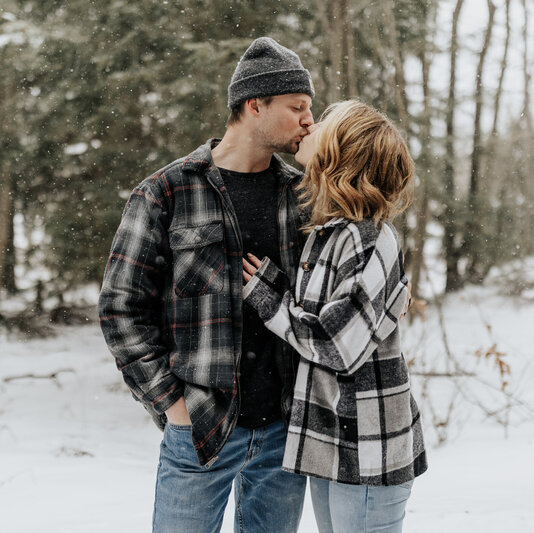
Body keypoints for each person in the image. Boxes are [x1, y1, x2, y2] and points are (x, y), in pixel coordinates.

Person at [98, 37, 314, 532]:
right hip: (202, 427)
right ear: (254, 105)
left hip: (285, 432)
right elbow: (120, 308)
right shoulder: (166, 192)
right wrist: (172, 404)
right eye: (297, 107)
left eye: (310, 108)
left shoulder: (300, 196)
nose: (308, 120)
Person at [242, 100, 428, 533]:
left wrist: (269, 301)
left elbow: (334, 346)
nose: (310, 124)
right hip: (332, 443)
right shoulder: (330, 232)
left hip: (367, 449)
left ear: (343, 152)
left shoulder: (368, 238)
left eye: (324, 122)